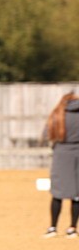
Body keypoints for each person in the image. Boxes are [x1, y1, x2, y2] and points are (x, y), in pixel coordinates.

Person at [43, 92, 79, 238]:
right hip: (77, 155)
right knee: (76, 194)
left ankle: (53, 227)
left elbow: (47, 134)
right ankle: (72, 228)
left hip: (60, 155)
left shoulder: (57, 115)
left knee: (57, 193)